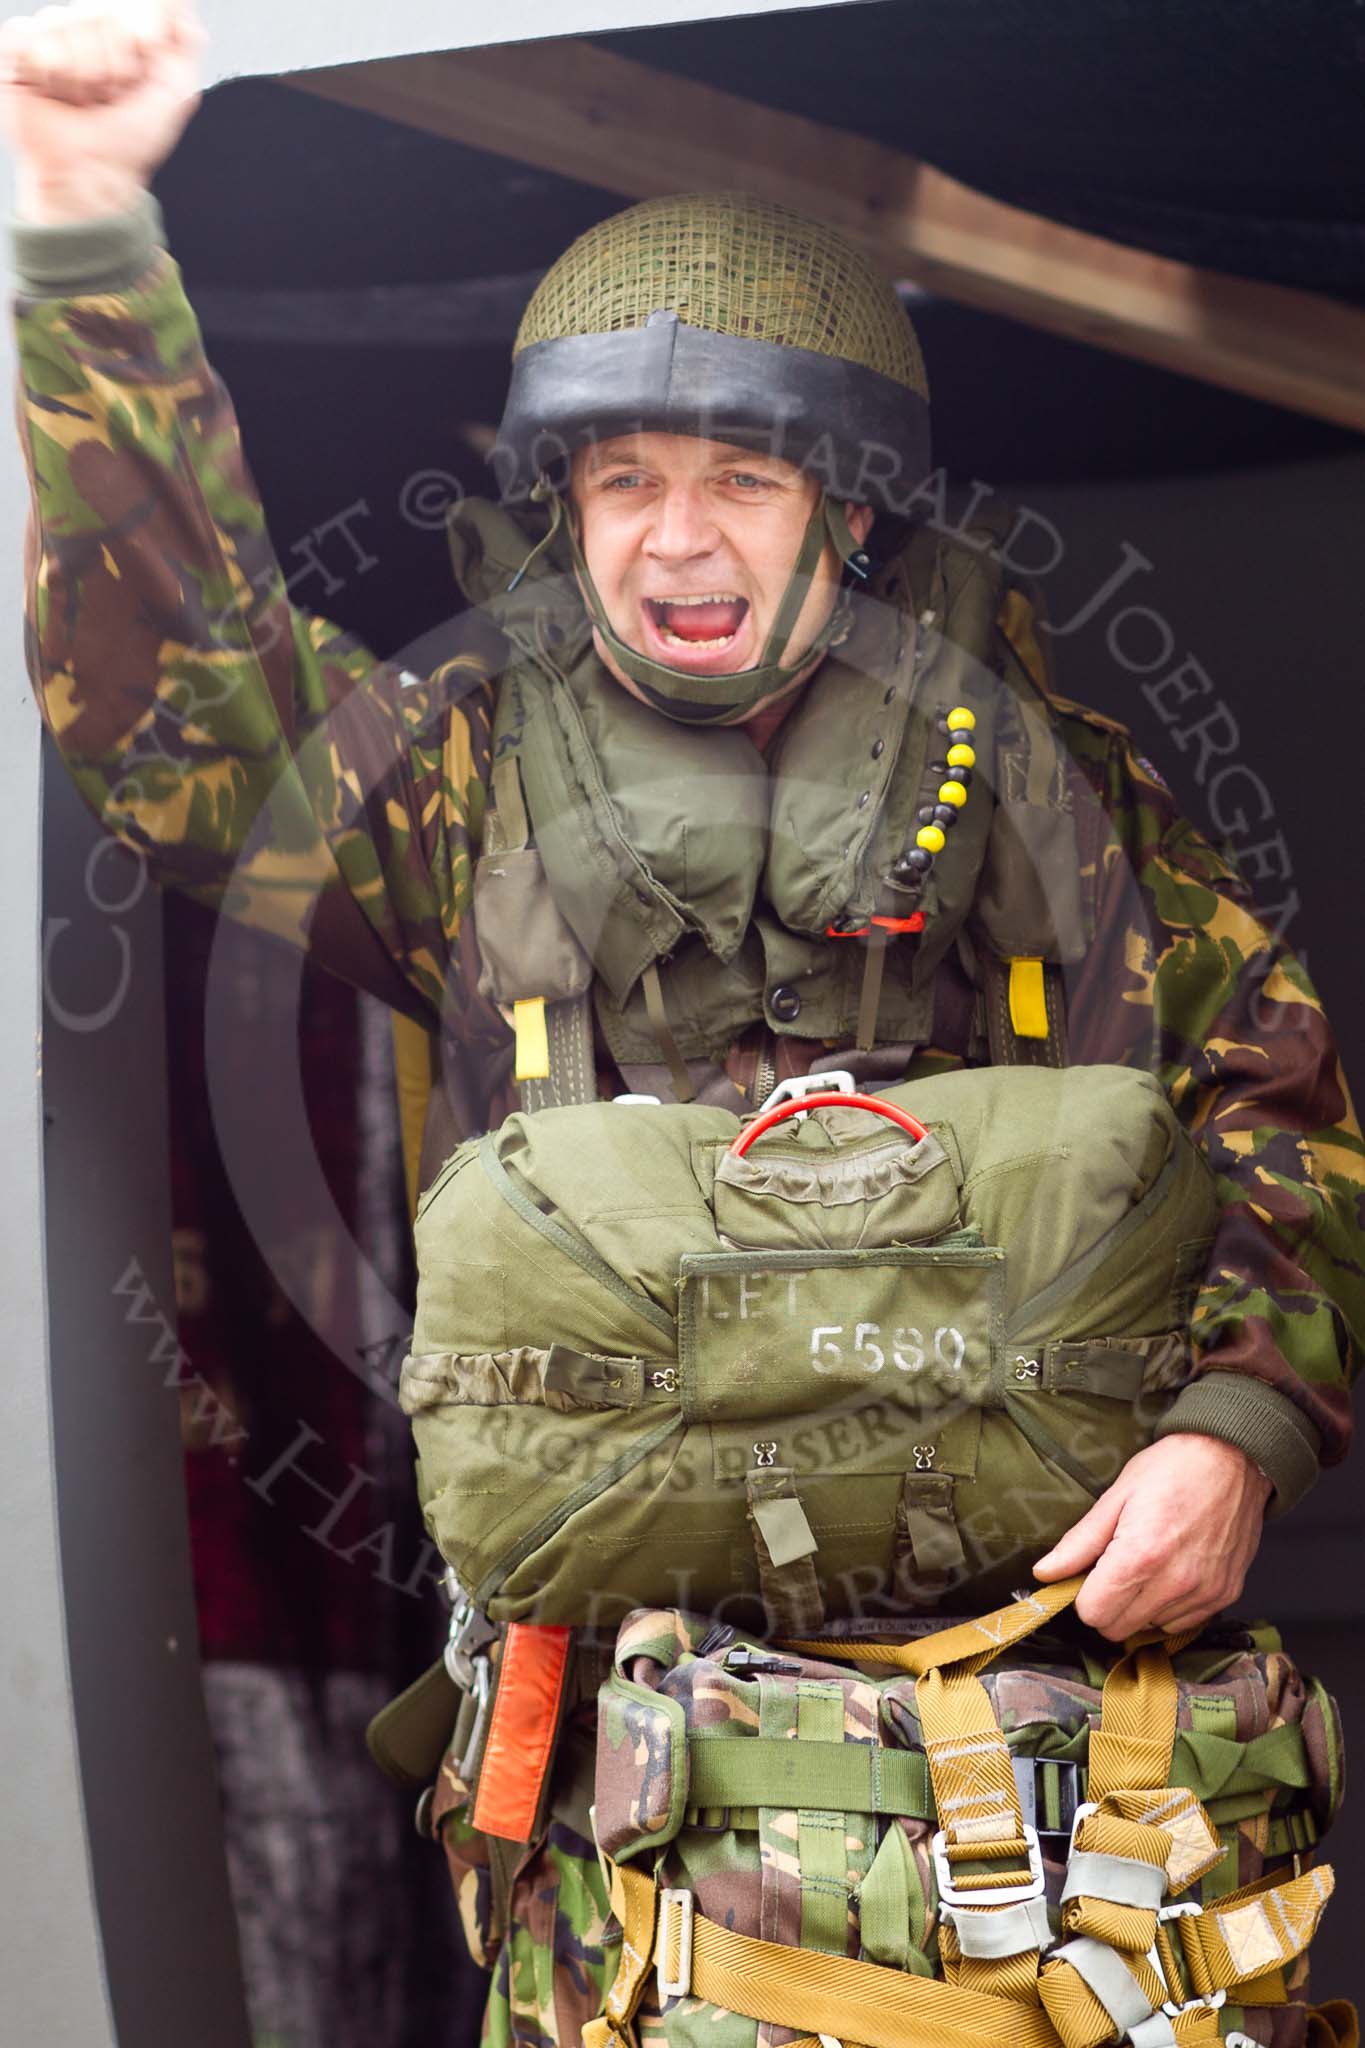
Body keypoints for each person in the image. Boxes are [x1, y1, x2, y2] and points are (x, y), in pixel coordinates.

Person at [4, 2, 1361, 2041]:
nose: (673, 537)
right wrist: (85, 230)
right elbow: (181, 709)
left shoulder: (1041, 800)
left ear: (851, 509)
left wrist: (1229, 1438)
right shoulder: (465, 783)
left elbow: (1285, 1121)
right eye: (621, 477)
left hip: (1054, 1792)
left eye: (737, 472)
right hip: (650, 1852)